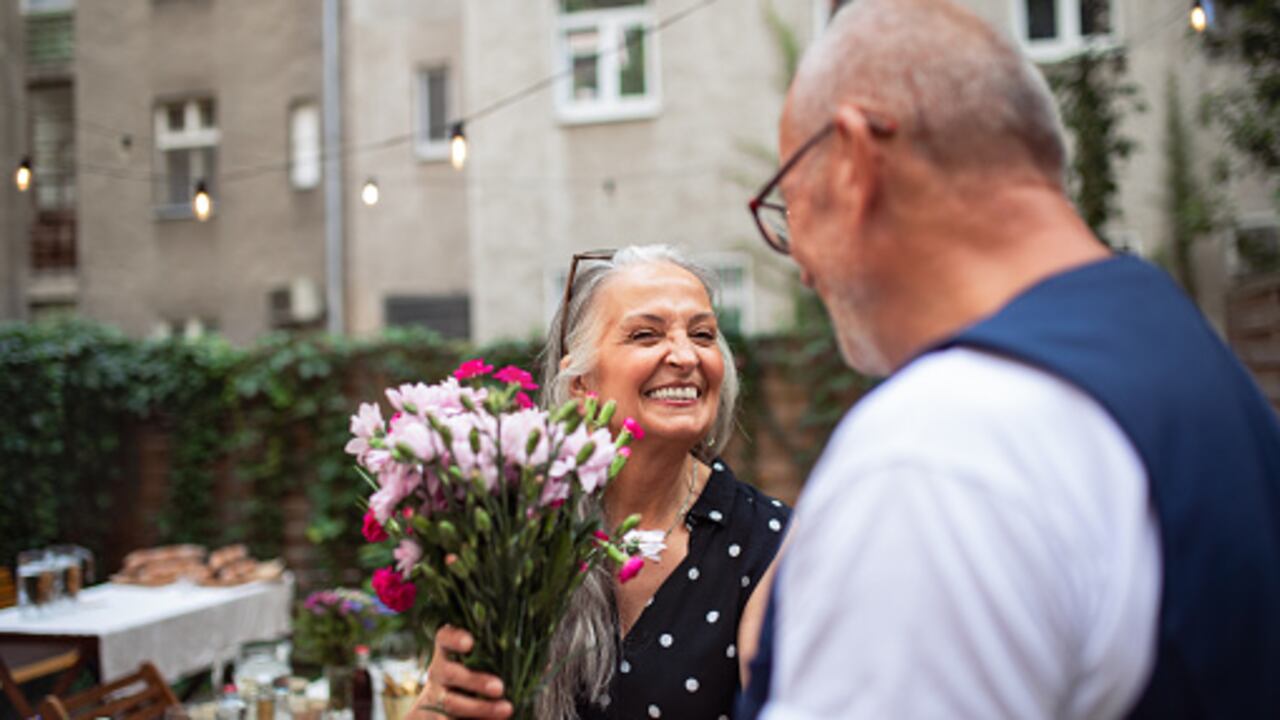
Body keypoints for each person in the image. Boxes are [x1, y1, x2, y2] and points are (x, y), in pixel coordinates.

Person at [737, 0, 1280, 718]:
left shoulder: (940, 450)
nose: (801, 265)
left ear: (855, 162)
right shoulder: (1184, 348)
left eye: (789, 206)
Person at [411, 245, 789, 720]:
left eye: (703, 334)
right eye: (646, 334)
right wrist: (444, 700)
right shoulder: (516, 530)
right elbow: (443, 706)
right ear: (581, 384)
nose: (685, 354)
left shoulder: (769, 546)